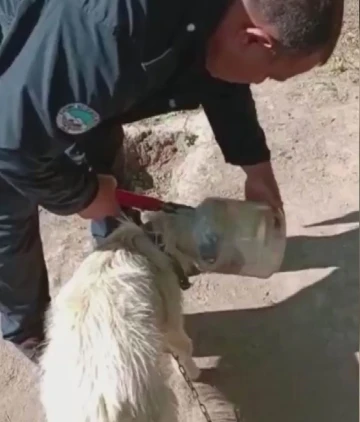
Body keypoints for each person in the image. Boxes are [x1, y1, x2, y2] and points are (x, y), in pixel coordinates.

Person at [0, 0, 343, 361]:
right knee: (9, 202)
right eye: (270, 75)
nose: (259, 81)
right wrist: (81, 196)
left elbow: (219, 74)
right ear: (254, 39)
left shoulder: (221, 20)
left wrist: (255, 166)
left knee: (99, 146)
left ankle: (126, 266)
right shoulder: (108, 34)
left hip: (82, 59)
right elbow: (10, 145)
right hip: (19, 56)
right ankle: (35, 336)